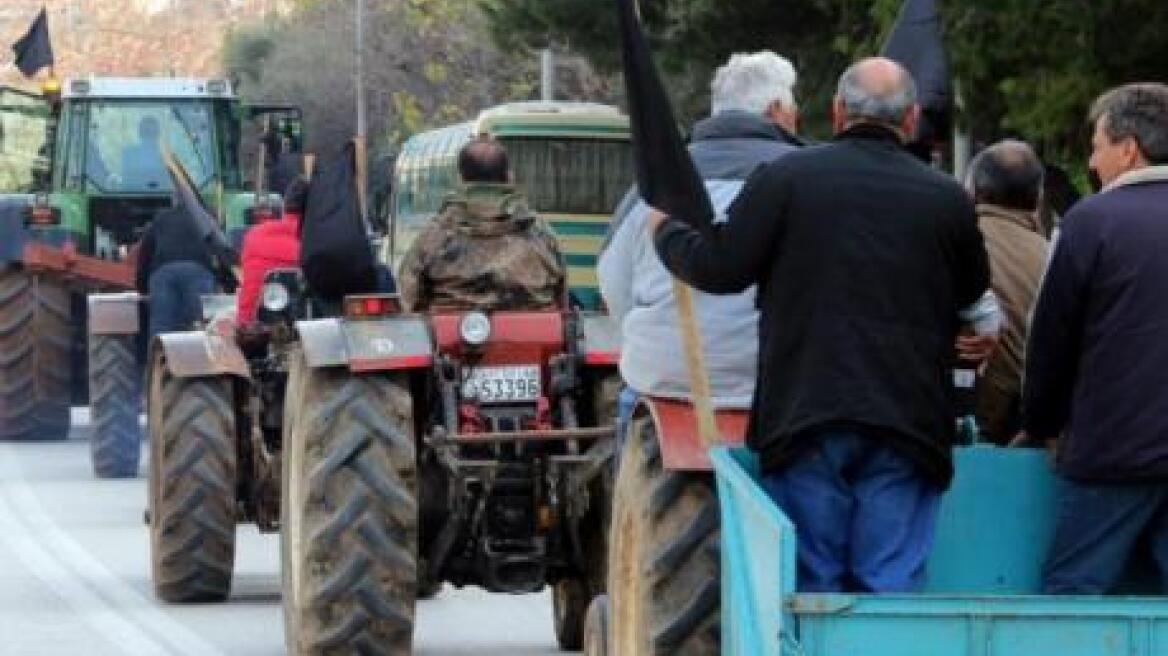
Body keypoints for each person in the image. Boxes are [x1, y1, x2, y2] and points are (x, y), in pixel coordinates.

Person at [649, 57, 990, 592]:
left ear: (836, 112)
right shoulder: (947, 198)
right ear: (911, 119)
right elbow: (972, 294)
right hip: (909, 421)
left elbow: (721, 267)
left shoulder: (787, 179)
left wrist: (667, 233)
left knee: (811, 585)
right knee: (890, 585)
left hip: (806, 415)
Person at [599, 50, 803, 440]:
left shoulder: (651, 186)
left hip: (666, 382)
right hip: (781, 388)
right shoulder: (809, 179)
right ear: (777, 110)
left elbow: (614, 285)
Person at [1023, 83, 1168, 594]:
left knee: (1074, 597)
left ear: (1129, 149)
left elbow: (1051, 340)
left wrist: (1040, 422)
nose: (1090, 161)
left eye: (1097, 146)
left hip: (1112, 449)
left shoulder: (1089, 222)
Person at [399, 137, 565, 312]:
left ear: (460, 179)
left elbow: (409, 299)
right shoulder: (540, 234)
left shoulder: (435, 236)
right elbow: (562, 300)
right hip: (534, 329)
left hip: (451, 328)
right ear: (509, 176)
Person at [963, 141, 1050, 444]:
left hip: (963, 423)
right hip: (1031, 431)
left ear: (973, 190)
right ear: (1038, 198)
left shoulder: (954, 242)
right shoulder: (1054, 255)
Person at [135, 197, 217, 340]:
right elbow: (220, 249)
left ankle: (159, 353)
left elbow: (145, 252)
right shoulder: (205, 218)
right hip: (197, 271)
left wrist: (141, 285)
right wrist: (228, 280)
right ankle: (199, 352)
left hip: (163, 272)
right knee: (200, 325)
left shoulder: (162, 218)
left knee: (161, 326)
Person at [236, 176, 307, 325]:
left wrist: (243, 324)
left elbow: (250, 290)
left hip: (261, 324)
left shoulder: (254, 235)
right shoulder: (321, 240)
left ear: (285, 206)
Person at [121, 116, 165, 188]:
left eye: (152, 133)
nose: (149, 137)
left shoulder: (167, 157)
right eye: (146, 132)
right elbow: (126, 181)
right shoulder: (128, 154)